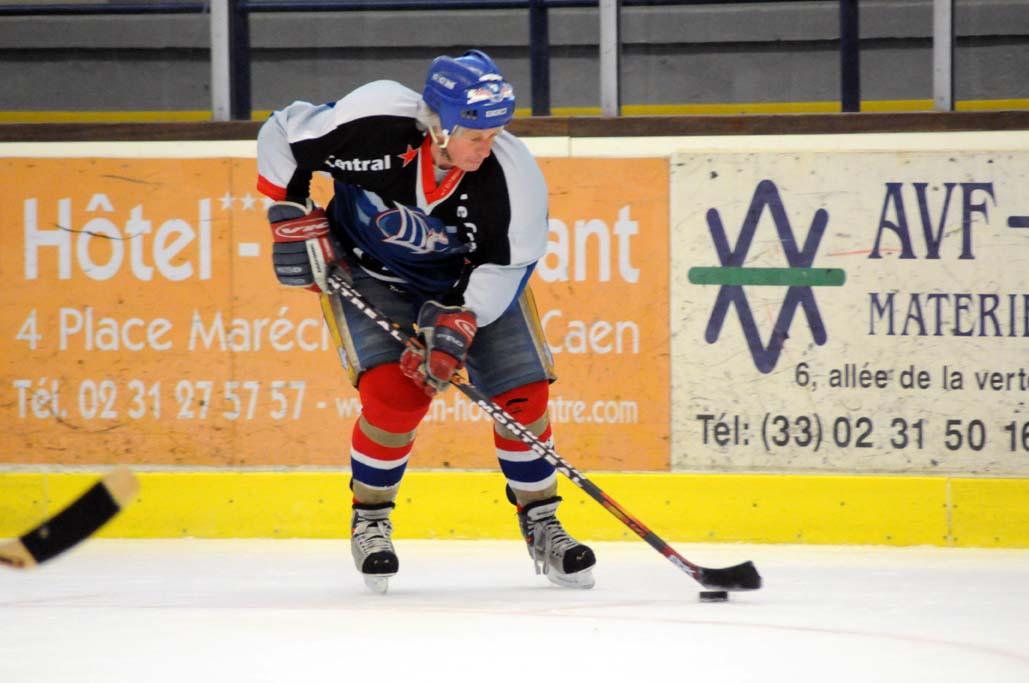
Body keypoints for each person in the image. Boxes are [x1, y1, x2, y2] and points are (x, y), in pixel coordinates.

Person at [255, 50, 596, 593]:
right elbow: (281, 133)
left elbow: (507, 266)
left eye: (495, 133)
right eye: (476, 135)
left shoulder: (513, 178)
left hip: (469, 288)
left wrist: (460, 322)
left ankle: (541, 520)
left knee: (522, 398)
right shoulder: (372, 121)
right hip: (368, 274)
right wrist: (289, 210)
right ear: (438, 126)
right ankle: (370, 518)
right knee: (395, 398)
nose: (488, 147)